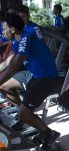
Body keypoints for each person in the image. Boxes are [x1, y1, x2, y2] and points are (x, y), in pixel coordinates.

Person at [0, 13, 60, 150]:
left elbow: (14, 66)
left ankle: (49, 133)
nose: (3, 32)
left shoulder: (27, 37)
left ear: (13, 29)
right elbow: (7, 62)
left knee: (22, 113)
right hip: (33, 75)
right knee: (4, 86)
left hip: (46, 77)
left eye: (4, 29)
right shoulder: (16, 40)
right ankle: (27, 113)